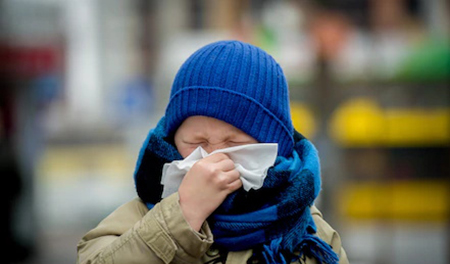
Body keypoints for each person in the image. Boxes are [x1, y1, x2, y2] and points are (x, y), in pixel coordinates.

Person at [77, 40, 349, 264]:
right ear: (172, 141)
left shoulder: (310, 235)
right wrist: (182, 215)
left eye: (234, 144)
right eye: (197, 143)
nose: (214, 159)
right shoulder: (139, 217)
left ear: (273, 149)